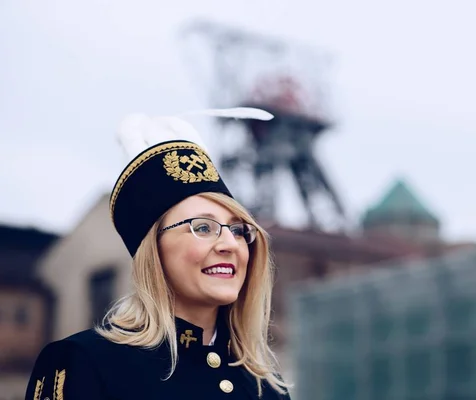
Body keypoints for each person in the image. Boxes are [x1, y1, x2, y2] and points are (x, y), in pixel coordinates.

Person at [25, 110, 292, 399]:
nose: (230, 243)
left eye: (239, 230)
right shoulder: (84, 363)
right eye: (203, 227)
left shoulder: (266, 386)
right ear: (153, 251)